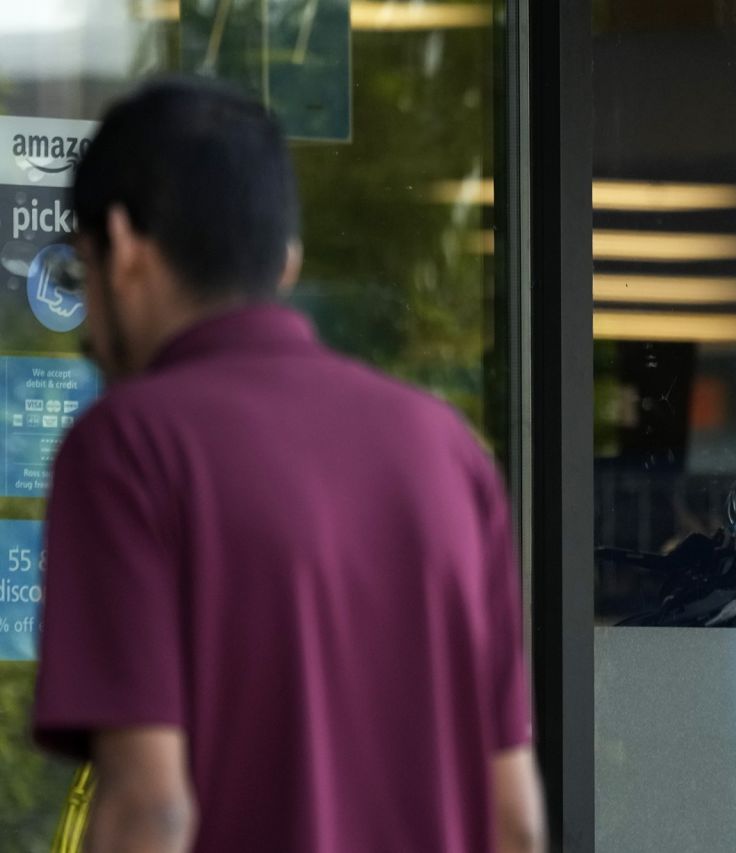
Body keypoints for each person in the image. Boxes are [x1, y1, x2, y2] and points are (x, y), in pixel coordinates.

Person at [32, 78, 544, 853]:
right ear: (288, 262)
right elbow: (514, 820)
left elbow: (151, 810)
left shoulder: (128, 445)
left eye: (82, 268)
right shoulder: (448, 452)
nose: (92, 333)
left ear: (125, 248)